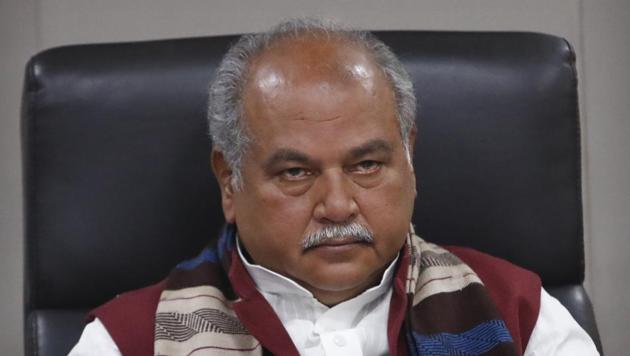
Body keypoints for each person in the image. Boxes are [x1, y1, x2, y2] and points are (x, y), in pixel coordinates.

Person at [69, 18, 599, 356]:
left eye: (367, 164)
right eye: (295, 173)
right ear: (229, 181)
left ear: (409, 158)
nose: (339, 205)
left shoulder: (519, 316)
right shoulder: (126, 342)